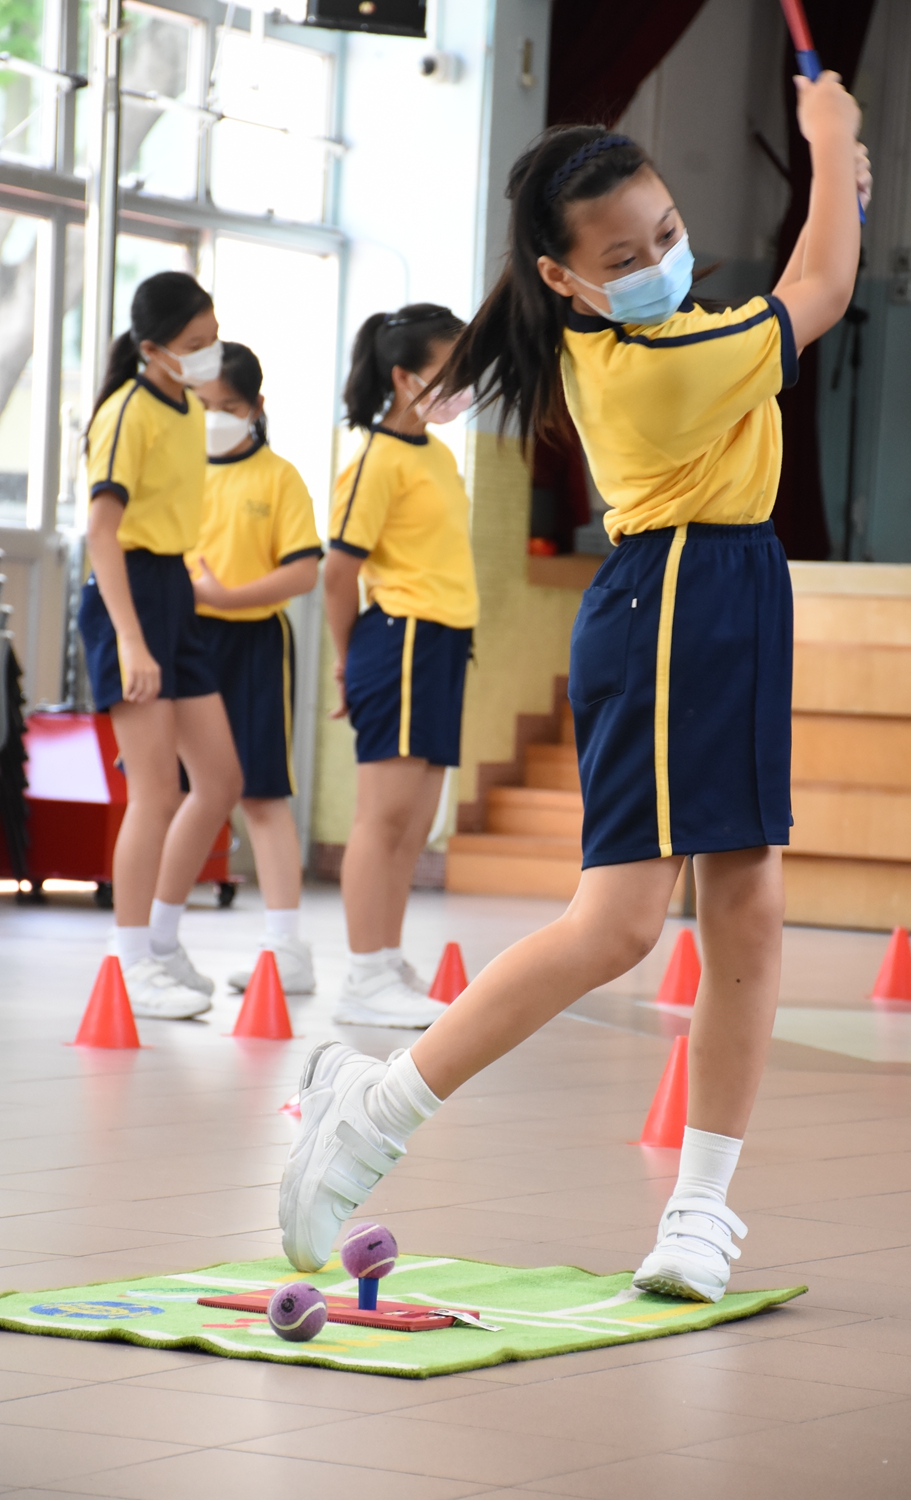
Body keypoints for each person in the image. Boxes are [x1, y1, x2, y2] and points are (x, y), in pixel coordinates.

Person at [279, 76, 870, 1300]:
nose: (659, 260)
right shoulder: (654, 361)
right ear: (562, 278)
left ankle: (697, 1211)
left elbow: (807, 277)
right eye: (623, 255)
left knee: (748, 908)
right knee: (619, 926)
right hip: (674, 605)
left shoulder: (670, 330)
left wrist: (839, 189)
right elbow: (818, 289)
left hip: (735, 591)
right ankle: (373, 1110)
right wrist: (828, 148)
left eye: (666, 232)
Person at [80, 272, 243, 1019]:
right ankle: (130, 961)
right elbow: (101, 533)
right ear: (152, 349)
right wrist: (130, 640)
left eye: (213, 339)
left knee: (220, 781)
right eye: (194, 344)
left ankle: (164, 942)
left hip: (174, 591)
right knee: (155, 792)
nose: (209, 354)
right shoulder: (126, 412)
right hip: (130, 596)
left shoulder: (189, 408)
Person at [323, 303, 478, 1029]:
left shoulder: (437, 456)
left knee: (416, 823)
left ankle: (385, 962)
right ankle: (363, 975)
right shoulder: (375, 462)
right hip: (401, 639)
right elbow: (337, 573)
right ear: (403, 377)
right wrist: (346, 661)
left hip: (443, 642)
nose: (463, 383)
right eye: (450, 370)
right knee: (382, 819)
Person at [186, 342, 323, 993]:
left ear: (256, 407)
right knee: (174, 794)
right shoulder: (180, 472)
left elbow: (303, 570)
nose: (215, 417)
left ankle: (286, 948)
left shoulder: (280, 478)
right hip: (185, 643)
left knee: (262, 794)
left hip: (255, 646)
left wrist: (227, 598)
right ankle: (152, 941)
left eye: (229, 406)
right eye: (203, 404)